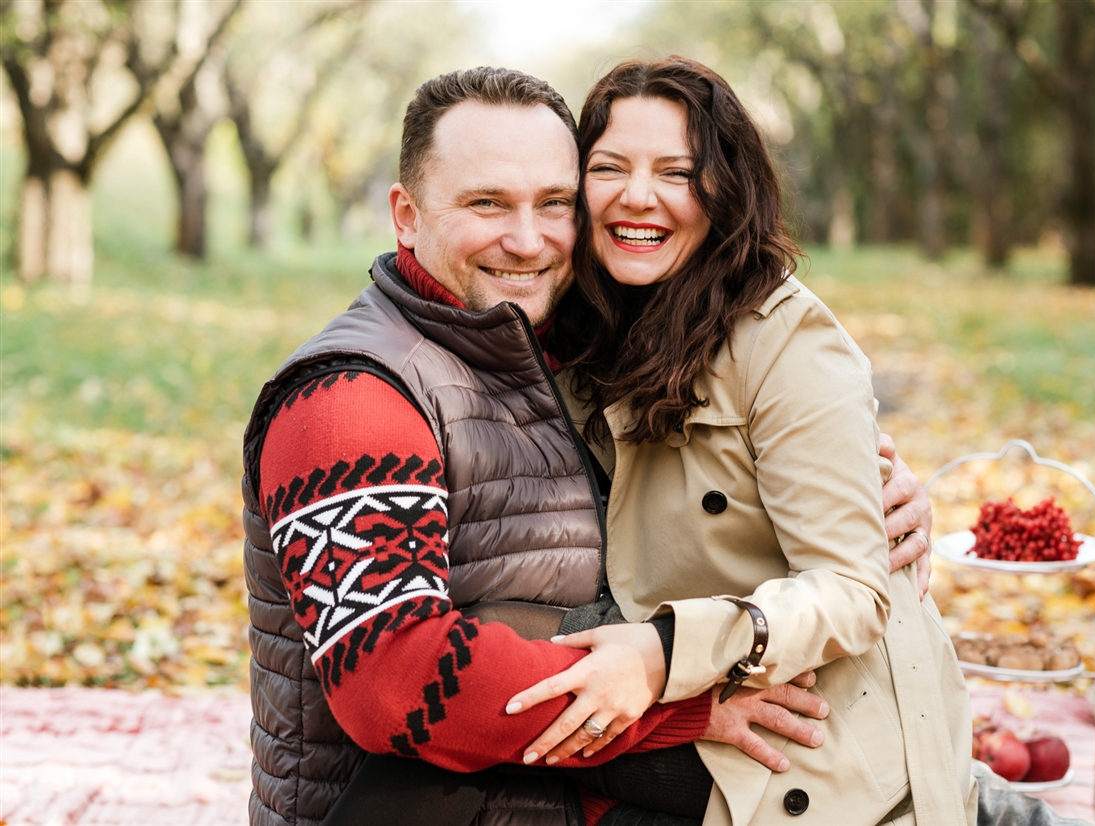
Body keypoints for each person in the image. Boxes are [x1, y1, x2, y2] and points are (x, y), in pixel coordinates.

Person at [240, 66, 933, 826]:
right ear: (405, 215)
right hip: (400, 806)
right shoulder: (349, 403)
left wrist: (868, 482)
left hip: (560, 794)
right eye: (487, 204)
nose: (527, 239)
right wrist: (675, 705)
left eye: (554, 204)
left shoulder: (560, 345)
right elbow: (397, 686)